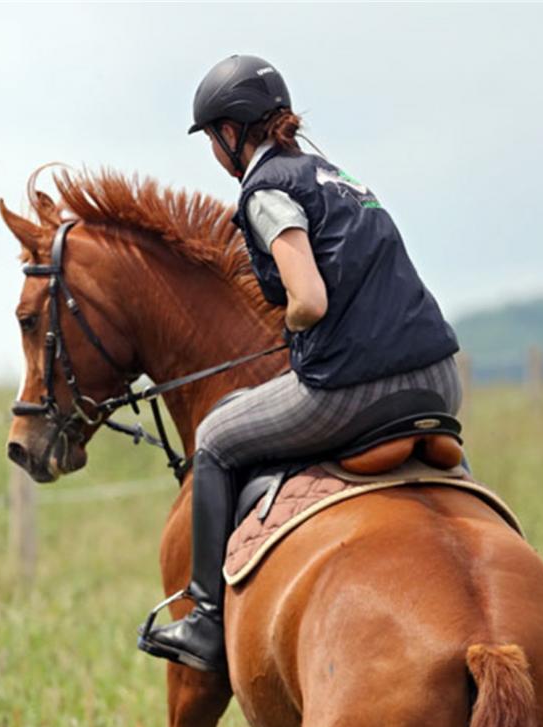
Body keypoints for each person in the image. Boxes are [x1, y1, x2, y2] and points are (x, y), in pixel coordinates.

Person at [138, 54, 461, 673]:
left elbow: (309, 298)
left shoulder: (265, 190)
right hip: (440, 382)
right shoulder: (337, 176)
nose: (213, 149)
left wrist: (293, 325)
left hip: (359, 388)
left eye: (211, 137)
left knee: (215, 438)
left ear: (230, 134)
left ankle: (204, 620)